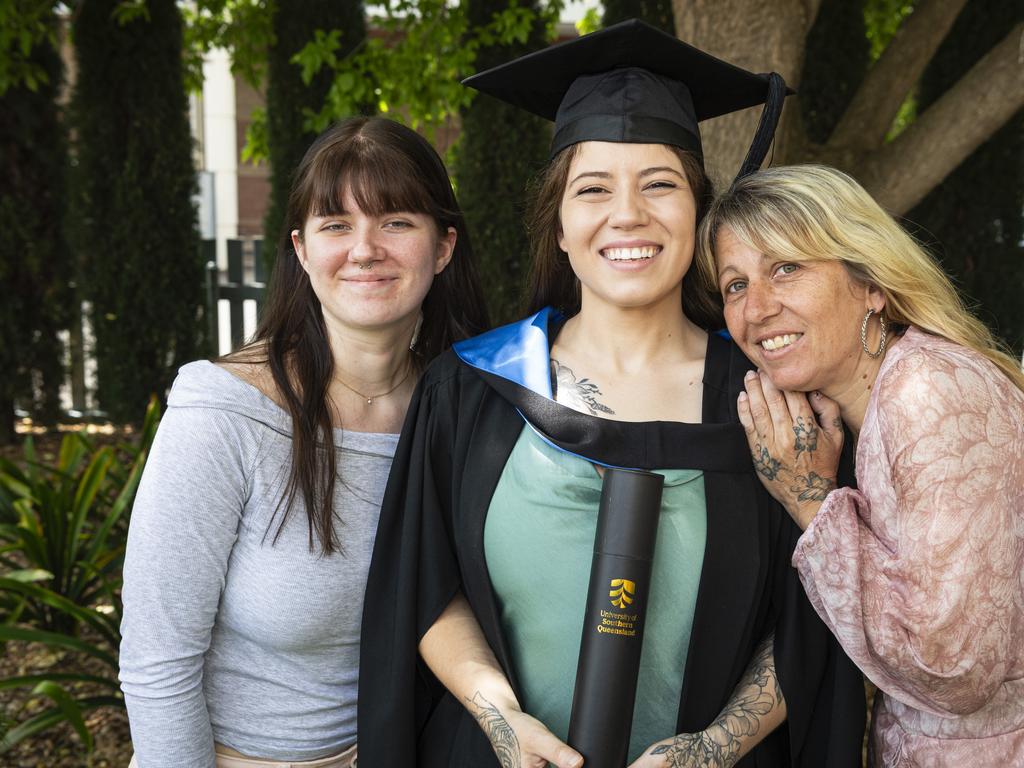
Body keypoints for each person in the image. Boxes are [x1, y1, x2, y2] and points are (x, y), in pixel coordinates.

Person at [359, 20, 865, 768]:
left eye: (659, 184)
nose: (627, 214)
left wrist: (714, 749)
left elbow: (815, 614)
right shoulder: (474, 389)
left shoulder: (768, 403)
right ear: (560, 227)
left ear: (698, 212)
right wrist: (501, 720)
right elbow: (422, 585)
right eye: (593, 189)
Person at [118, 116, 489, 768]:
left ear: (444, 246)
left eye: (396, 221)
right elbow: (157, 663)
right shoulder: (225, 413)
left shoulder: (464, 409)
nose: (365, 248)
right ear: (300, 248)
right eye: (336, 225)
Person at [696, 164, 1024, 766]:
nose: (757, 308)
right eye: (735, 285)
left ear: (871, 282)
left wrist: (807, 498)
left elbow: (954, 666)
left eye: (786, 268)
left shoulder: (930, 394)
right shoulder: (864, 404)